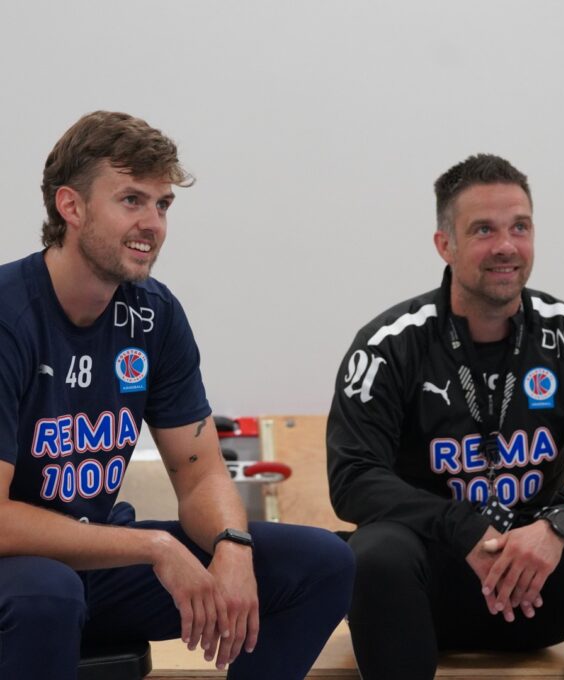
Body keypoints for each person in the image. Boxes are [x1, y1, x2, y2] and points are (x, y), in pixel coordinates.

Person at [0, 110, 354, 680]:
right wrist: (155, 548)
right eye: (132, 200)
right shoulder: (9, 316)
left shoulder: (154, 315)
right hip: (20, 574)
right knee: (48, 593)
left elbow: (200, 474)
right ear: (71, 206)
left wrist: (232, 545)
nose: (153, 224)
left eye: (162, 205)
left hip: (94, 565)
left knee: (321, 562)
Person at [327, 154, 564, 680]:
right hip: (430, 590)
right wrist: (463, 529)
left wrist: (557, 525)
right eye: (483, 230)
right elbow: (354, 477)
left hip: (541, 580)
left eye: (520, 227)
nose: (506, 246)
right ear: (444, 244)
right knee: (373, 552)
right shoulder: (389, 345)